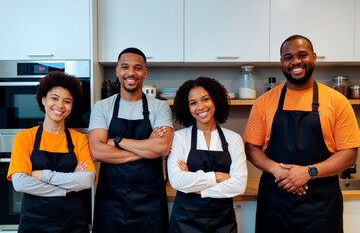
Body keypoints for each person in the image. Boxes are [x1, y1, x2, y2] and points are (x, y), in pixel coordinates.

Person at [243, 35, 360, 233]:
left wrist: (308, 172)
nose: (295, 61)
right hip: (274, 204)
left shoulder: (337, 101)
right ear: (281, 62)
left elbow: (349, 154)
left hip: (321, 207)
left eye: (302, 55)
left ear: (314, 57)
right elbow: (251, 148)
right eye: (288, 56)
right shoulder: (264, 102)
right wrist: (277, 170)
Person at [89, 47, 174, 233]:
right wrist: (146, 150)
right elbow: (96, 152)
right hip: (111, 201)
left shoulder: (161, 107)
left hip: (149, 203)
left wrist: (117, 141)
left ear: (145, 72)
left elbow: (162, 147)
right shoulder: (102, 107)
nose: (131, 73)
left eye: (137, 68)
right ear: (118, 71)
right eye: (125, 67)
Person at [7, 71, 96, 233]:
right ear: (44, 100)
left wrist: (43, 175)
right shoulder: (25, 138)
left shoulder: (80, 139)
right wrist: (66, 188)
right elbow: (20, 183)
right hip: (34, 224)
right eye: (54, 98)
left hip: (72, 224)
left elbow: (86, 180)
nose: (60, 105)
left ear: (72, 106)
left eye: (67, 101)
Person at [168, 76, 248, 233]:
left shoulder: (234, 139)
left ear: (216, 100)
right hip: (185, 220)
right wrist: (217, 176)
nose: (200, 107)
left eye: (205, 99)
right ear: (187, 107)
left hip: (223, 221)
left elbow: (239, 185)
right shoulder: (179, 137)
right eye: (193, 103)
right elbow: (177, 180)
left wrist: (198, 189)